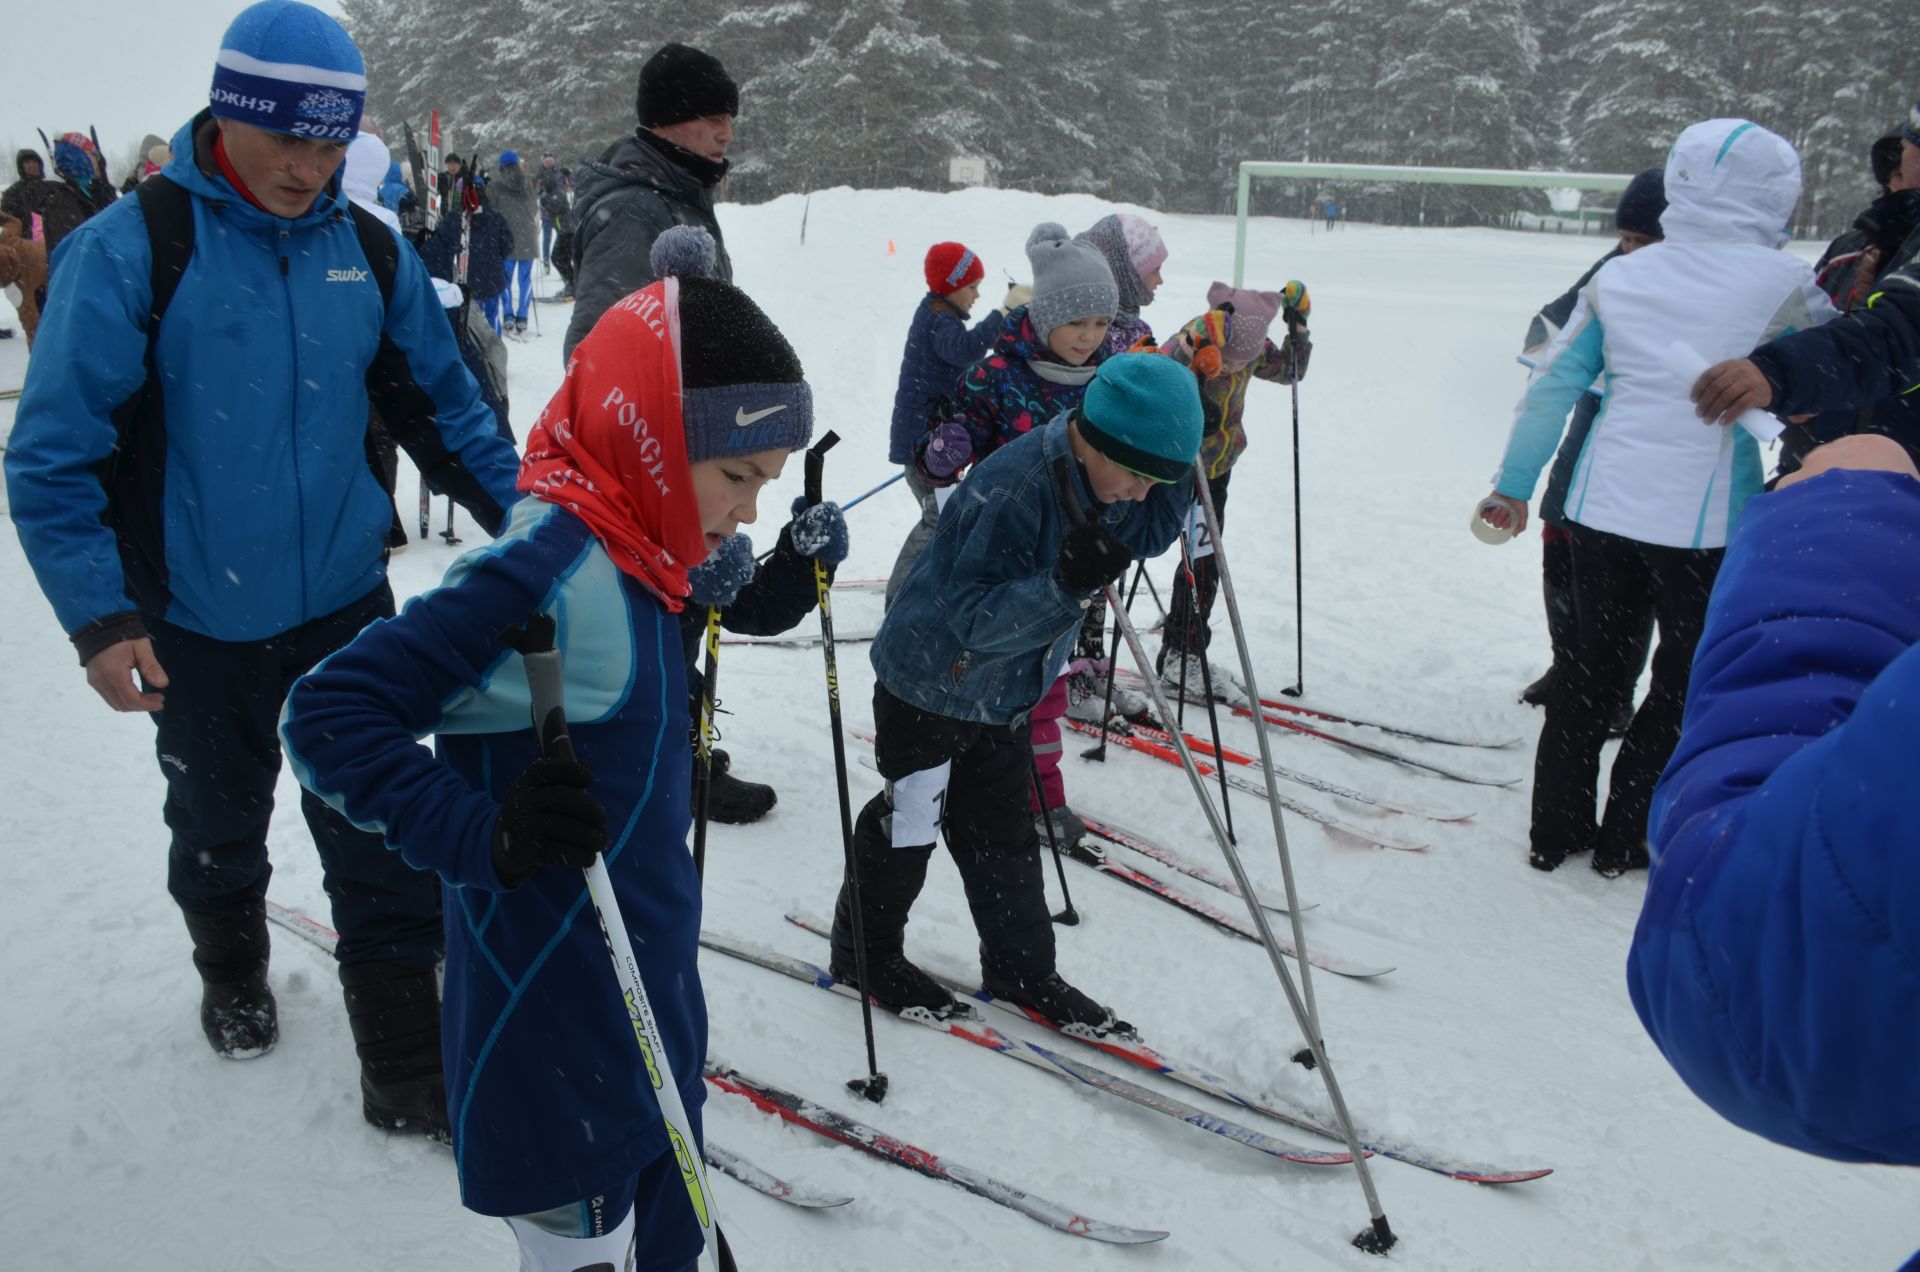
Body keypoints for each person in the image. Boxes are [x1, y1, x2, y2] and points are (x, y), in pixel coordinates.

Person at [2, 0, 522, 1140]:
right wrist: (99, 618)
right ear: (227, 115)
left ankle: (405, 1071)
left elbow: (450, 414)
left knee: (381, 834)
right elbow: (51, 458)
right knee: (218, 825)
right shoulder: (134, 248)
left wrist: (538, 532)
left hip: (347, 610)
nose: (310, 166)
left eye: (332, 140)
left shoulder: (367, 248)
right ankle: (230, 965)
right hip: (197, 622)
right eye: (286, 138)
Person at [281, 262, 808, 1272]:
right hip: (553, 1026)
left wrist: (739, 579)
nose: (745, 509)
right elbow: (331, 713)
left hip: (646, 1006)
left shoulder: (649, 548)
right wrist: (485, 835)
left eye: (764, 484)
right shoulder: (554, 564)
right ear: (653, 439)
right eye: (737, 478)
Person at [1480, 117, 1838, 878]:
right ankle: (1627, 838)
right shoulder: (1788, 284)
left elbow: (1551, 387)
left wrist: (1513, 489)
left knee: (1589, 670)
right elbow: (1833, 374)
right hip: (1705, 531)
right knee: (1682, 680)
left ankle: (1556, 830)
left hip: (1602, 513)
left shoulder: (1620, 276)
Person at [831, 352, 1202, 1033]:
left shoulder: (1110, 476)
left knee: (1003, 836)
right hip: (931, 683)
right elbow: (969, 618)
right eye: (1139, 477)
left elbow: (1147, 532)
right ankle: (865, 952)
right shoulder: (1015, 487)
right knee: (910, 825)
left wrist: (1177, 467)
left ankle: (1021, 968)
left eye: (1158, 482)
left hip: (1002, 697)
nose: (1141, 494)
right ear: (1101, 442)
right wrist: (1063, 587)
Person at [1625, 435, 1920, 1239]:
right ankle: (1583, 834)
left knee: (1637, 683)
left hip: (1711, 528)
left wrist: (1839, 509)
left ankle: (1597, 834)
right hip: (1639, 517)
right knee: (1613, 674)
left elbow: (1784, 957)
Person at [913, 221, 1120, 846]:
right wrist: (945, 448)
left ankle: (1038, 796)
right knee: (983, 664)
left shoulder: (1110, 378)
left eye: (1100, 324)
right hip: (1002, 545)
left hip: (1068, 554)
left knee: (1045, 683)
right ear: (1045, 314)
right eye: (1076, 322)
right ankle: (948, 767)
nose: (1090, 338)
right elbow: (958, 436)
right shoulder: (997, 373)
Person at [1518, 168, 1665, 727]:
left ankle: (1616, 690)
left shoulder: (1697, 283)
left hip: (1646, 447)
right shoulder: (1616, 268)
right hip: (1588, 423)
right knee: (1560, 532)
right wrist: (1555, 350)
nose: (1630, 253)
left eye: (1644, 242)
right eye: (1625, 240)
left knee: (1630, 562)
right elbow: (1551, 321)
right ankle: (1570, 664)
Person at [1155, 279, 1311, 703]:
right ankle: (1160, 651)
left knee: (1203, 562)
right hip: (1173, 466)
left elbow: (1290, 371)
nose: (1232, 368)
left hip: (1217, 470)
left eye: (1242, 364)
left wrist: (1299, 328)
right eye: (1228, 362)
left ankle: (1182, 652)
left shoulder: (1254, 346)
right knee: (1168, 553)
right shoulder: (1201, 332)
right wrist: (1192, 356)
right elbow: (1157, 365)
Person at [564, 41, 737, 360]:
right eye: (714, 118)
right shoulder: (633, 211)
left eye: (729, 118)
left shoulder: (682, 196)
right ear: (666, 122)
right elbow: (597, 362)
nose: (727, 133)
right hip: (672, 411)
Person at [882, 240, 1022, 609]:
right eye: (972, 286)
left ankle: (929, 586)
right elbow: (963, 348)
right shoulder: (937, 319)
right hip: (925, 444)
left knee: (942, 518)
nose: (977, 294)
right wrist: (1003, 313)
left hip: (931, 443)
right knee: (937, 519)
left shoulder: (938, 314)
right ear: (952, 285)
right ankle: (900, 599)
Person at [422, 171, 515, 336]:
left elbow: (441, 247)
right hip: (492, 277)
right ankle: (493, 348)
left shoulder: (455, 217)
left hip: (467, 280)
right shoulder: (496, 216)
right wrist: (494, 257)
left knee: (471, 322)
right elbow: (508, 245)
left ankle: (476, 351)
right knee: (492, 317)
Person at [1076, 212, 1166, 355]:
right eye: (1154, 270)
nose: (1160, 280)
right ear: (1127, 274)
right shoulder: (1083, 334)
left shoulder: (1140, 331)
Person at [490, 149, 539, 335]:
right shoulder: (528, 183)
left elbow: (493, 211)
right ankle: (523, 316)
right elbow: (534, 208)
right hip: (528, 237)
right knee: (525, 279)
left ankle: (508, 314)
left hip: (506, 238)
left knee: (505, 278)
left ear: (501, 166)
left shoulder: (495, 185)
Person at [535, 151, 569, 266]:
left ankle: (563, 258)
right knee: (547, 237)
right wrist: (540, 192)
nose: (549, 163)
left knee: (562, 235)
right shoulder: (539, 175)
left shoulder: (558, 172)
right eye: (546, 161)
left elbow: (564, 187)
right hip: (546, 211)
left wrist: (566, 177)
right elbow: (536, 190)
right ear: (543, 162)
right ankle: (546, 260)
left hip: (560, 211)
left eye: (550, 161)